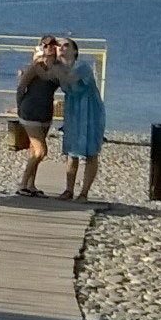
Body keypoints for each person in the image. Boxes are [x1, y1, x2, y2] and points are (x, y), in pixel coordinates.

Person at [14, 36, 65, 196]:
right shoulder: (36, 66)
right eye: (46, 45)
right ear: (42, 47)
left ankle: (31, 185)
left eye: (52, 44)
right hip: (30, 111)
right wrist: (20, 106)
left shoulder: (58, 68)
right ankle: (22, 184)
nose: (49, 47)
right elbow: (21, 87)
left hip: (46, 111)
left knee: (33, 151)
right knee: (41, 151)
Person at [56, 38, 105, 201]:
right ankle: (69, 190)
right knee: (72, 151)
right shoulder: (60, 68)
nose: (61, 48)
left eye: (66, 46)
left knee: (91, 151)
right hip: (73, 111)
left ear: (74, 51)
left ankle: (84, 192)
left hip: (90, 110)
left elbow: (70, 79)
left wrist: (52, 68)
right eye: (59, 46)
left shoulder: (82, 66)